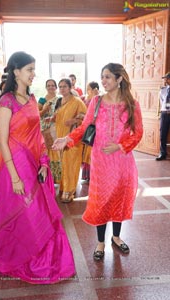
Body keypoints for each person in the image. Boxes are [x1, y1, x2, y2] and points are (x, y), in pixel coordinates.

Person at [0, 51, 75, 284]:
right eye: (29, 69)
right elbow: (3, 141)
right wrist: (15, 178)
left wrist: (44, 162)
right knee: (24, 215)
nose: (33, 74)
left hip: (34, 164)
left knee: (39, 214)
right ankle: (19, 259)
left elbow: (37, 134)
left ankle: (39, 260)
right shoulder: (5, 101)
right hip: (14, 168)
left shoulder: (30, 99)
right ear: (16, 72)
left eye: (33, 69)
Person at [52, 63, 143, 260]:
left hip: (122, 160)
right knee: (101, 200)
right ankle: (101, 242)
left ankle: (116, 237)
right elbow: (84, 127)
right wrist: (68, 139)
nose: (103, 80)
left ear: (119, 79)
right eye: (102, 76)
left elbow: (138, 133)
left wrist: (120, 146)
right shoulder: (96, 102)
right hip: (101, 161)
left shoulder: (132, 104)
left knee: (120, 197)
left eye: (108, 77)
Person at [55, 78, 87, 202]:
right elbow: (60, 116)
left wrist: (74, 120)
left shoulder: (77, 102)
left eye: (64, 86)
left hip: (73, 138)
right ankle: (64, 187)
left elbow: (85, 118)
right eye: (60, 86)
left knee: (71, 164)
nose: (62, 89)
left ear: (70, 88)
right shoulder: (60, 101)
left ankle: (70, 191)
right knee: (63, 164)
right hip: (60, 136)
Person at [38, 79, 61, 183]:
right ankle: (47, 177)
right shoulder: (42, 100)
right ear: (46, 87)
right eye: (48, 85)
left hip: (55, 128)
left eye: (53, 85)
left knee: (56, 150)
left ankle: (57, 178)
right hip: (44, 128)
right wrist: (45, 109)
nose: (51, 87)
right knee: (46, 151)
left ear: (56, 87)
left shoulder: (60, 99)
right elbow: (38, 114)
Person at [81, 81, 100, 182]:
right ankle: (88, 175)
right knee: (87, 152)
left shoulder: (98, 99)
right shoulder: (86, 98)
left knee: (91, 152)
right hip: (87, 127)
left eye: (89, 88)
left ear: (94, 89)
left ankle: (93, 175)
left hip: (94, 129)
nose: (87, 90)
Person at [156, 72, 170, 161]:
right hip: (165, 113)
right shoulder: (163, 90)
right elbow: (162, 101)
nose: (165, 80)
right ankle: (163, 153)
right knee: (163, 134)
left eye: (166, 78)